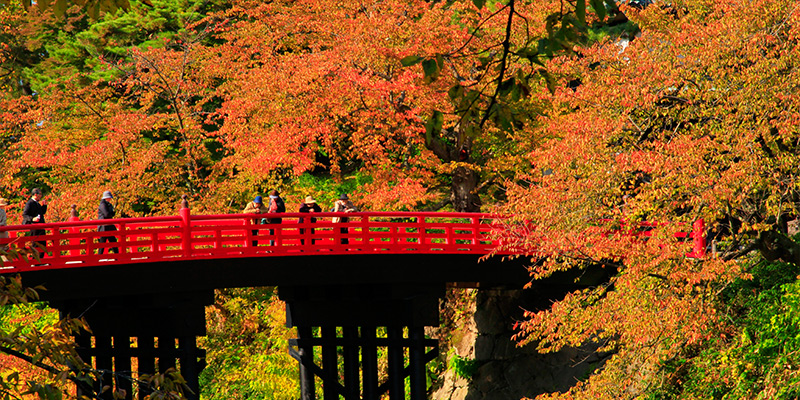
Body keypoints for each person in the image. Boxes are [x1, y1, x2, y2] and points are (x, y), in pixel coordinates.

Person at [22, 188, 47, 257]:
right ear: (36, 194)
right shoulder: (29, 203)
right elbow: (25, 214)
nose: (41, 196)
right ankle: (36, 261)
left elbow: (42, 213)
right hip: (34, 227)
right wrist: (32, 219)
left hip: (40, 226)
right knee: (36, 244)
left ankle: (40, 261)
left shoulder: (37, 203)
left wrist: (44, 205)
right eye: (40, 194)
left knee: (43, 244)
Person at [97, 190, 119, 255]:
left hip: (108, 226)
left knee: (112, 241)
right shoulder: (103, 204)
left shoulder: (107, 204)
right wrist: (112, 213)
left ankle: (117, 255)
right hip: (104, 227)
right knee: (103, 242)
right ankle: (99, 256)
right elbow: (106, 214)